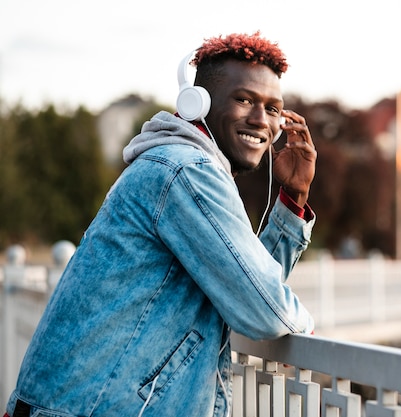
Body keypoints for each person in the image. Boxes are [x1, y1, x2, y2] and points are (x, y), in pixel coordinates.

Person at [5, 32, 316, 417]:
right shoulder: (185, 171)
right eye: (245, 99)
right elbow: (267, 311)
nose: (261, 119)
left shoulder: (183, 167)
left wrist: (294, 199)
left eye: (273, 109)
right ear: (196, 103)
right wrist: (306, 328)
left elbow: (244, 287)